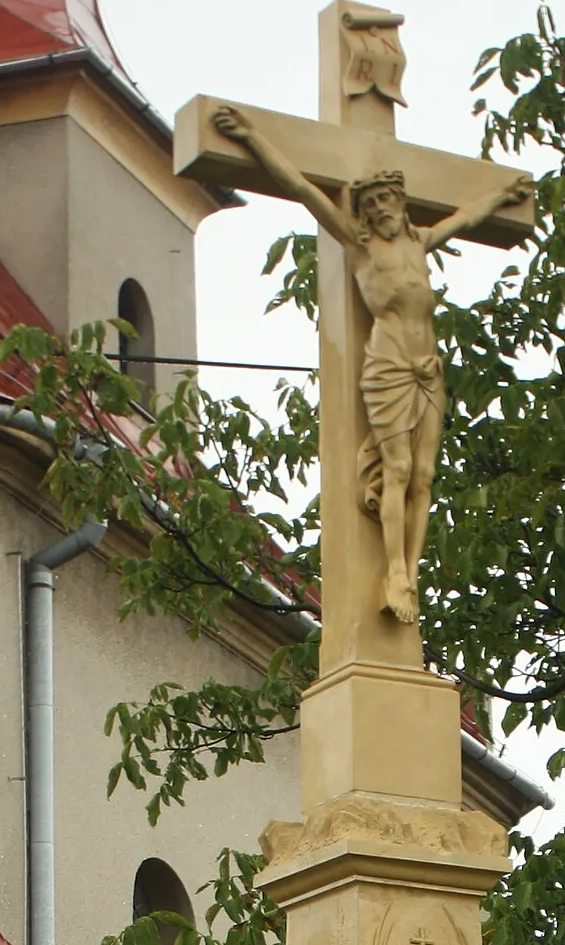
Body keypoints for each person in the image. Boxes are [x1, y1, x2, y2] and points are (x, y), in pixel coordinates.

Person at [211, 105, 531, 626]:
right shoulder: (359, 245)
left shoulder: (419, 243)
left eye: (388, 199)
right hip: (388, 366)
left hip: (428, 367)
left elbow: (468, 217)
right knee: (398, 470)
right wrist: (251, 138)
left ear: (402, 205)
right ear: (363, 212)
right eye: (373, 202)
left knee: (424, 476)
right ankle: (395, 570)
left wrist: (500, 195)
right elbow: (302, 188)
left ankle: (412, 571)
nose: (381, 208)